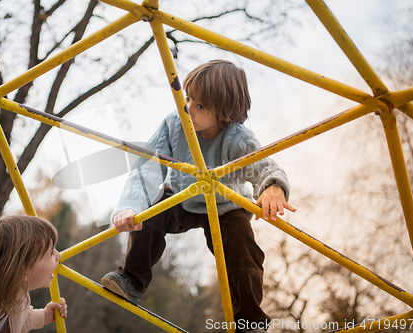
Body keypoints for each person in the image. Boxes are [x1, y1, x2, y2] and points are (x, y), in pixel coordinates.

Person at [101, 60, 296, 332]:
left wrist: (272, 187)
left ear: (225, 112)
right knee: (151, 212)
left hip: (227, 204)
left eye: (200, 105)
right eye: (188, 98)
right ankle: (131, 280)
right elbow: (148, 167)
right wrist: (131, 206)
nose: (188, 108)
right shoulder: (174, 124)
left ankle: (249, 319)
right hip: (183, 195)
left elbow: (263, 167)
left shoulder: (238, 138)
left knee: (242, 247)